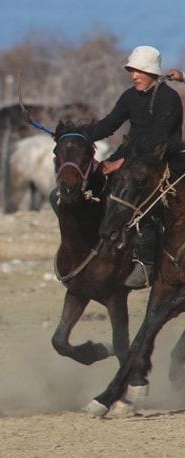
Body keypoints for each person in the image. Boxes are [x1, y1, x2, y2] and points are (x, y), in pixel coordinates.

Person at [92, 45, 183, 289]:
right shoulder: (129, 97)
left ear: (153, 73)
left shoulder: (169, 98)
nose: (134, 76)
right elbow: (108, 125)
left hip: (163, 159)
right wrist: (76, 135)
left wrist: (119, 164)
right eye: (131, 70)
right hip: (132, 155)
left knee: (142, 200)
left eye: (139, 71)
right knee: (98, 189)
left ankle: (146, 263)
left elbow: (157, 140)